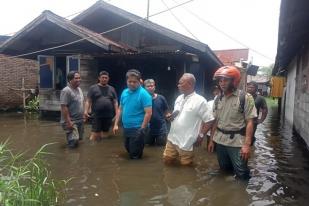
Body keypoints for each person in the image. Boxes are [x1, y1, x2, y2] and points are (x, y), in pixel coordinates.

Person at [208, 66, 257, 180]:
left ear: (234, 81)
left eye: (225, 80)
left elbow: (250, 122)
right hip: (220, 141)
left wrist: (246, 145)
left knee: (242, 172)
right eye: (220, 80)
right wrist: (211, 140)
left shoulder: (245, 97)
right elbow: (215, 121)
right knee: (224, 169)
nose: (222, 83)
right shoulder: (217, 99)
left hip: (237, 143)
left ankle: (241, 195)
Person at [163, 73, 214, 166]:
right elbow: (177, 113)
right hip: (172, 138)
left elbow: (209, 120)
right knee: (167, 161)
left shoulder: (200, 101)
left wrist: (201, 135)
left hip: (187, 142)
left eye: (181, 83)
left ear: (190, 84)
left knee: (186, 168)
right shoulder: (179, 98)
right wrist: (170, 116)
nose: (178, 85)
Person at [113, 69, 152, 159]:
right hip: (126, 127)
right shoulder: (124, 92)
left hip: (138, 128)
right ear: (126, 81)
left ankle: (137, 170)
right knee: (128, 148)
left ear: (139, 81)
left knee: (134, 154)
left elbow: (148, 113)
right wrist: (115, 124)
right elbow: (120, 108)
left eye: (135, 82)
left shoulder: (144, 94)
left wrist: (142, 129)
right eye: (130, 81)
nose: (132, 84)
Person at [84, 71, 118, 141]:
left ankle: (102, 147)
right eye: (103, 77)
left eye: (106, 78)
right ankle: (92, 147)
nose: (104, 79)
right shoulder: (93, 88)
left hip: (108, 115)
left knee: (105, 133)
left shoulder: (112, 88)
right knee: (95, 133)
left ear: (108, 79)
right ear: (99, 78)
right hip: (96, 115)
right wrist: (85, 111)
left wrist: (117, 113)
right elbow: (88, 100)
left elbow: (115, 102)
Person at [60, 71, 84, 148]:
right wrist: (69, 122)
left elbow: (81, 102)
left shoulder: (79, 89)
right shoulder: (66, 91)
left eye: (79, 78)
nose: (79, 80)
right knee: (73, 142)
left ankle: (77, 158)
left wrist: (84, 115)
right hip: (71, 120)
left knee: (79, 140)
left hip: (79, 119)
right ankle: (69, 158)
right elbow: (64, 107)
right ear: (70, 80)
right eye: (76, 78)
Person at [144, 79, 170, 146]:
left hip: (161, 129)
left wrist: (168, 116)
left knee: (161, 148)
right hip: (148, 129)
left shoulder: (161, 98)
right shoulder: (142, 99)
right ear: (144, 88)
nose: (150, 87)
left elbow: (166, 111)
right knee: (147, 147)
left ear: (154, 87)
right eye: (148, 86)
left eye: (152, 86)